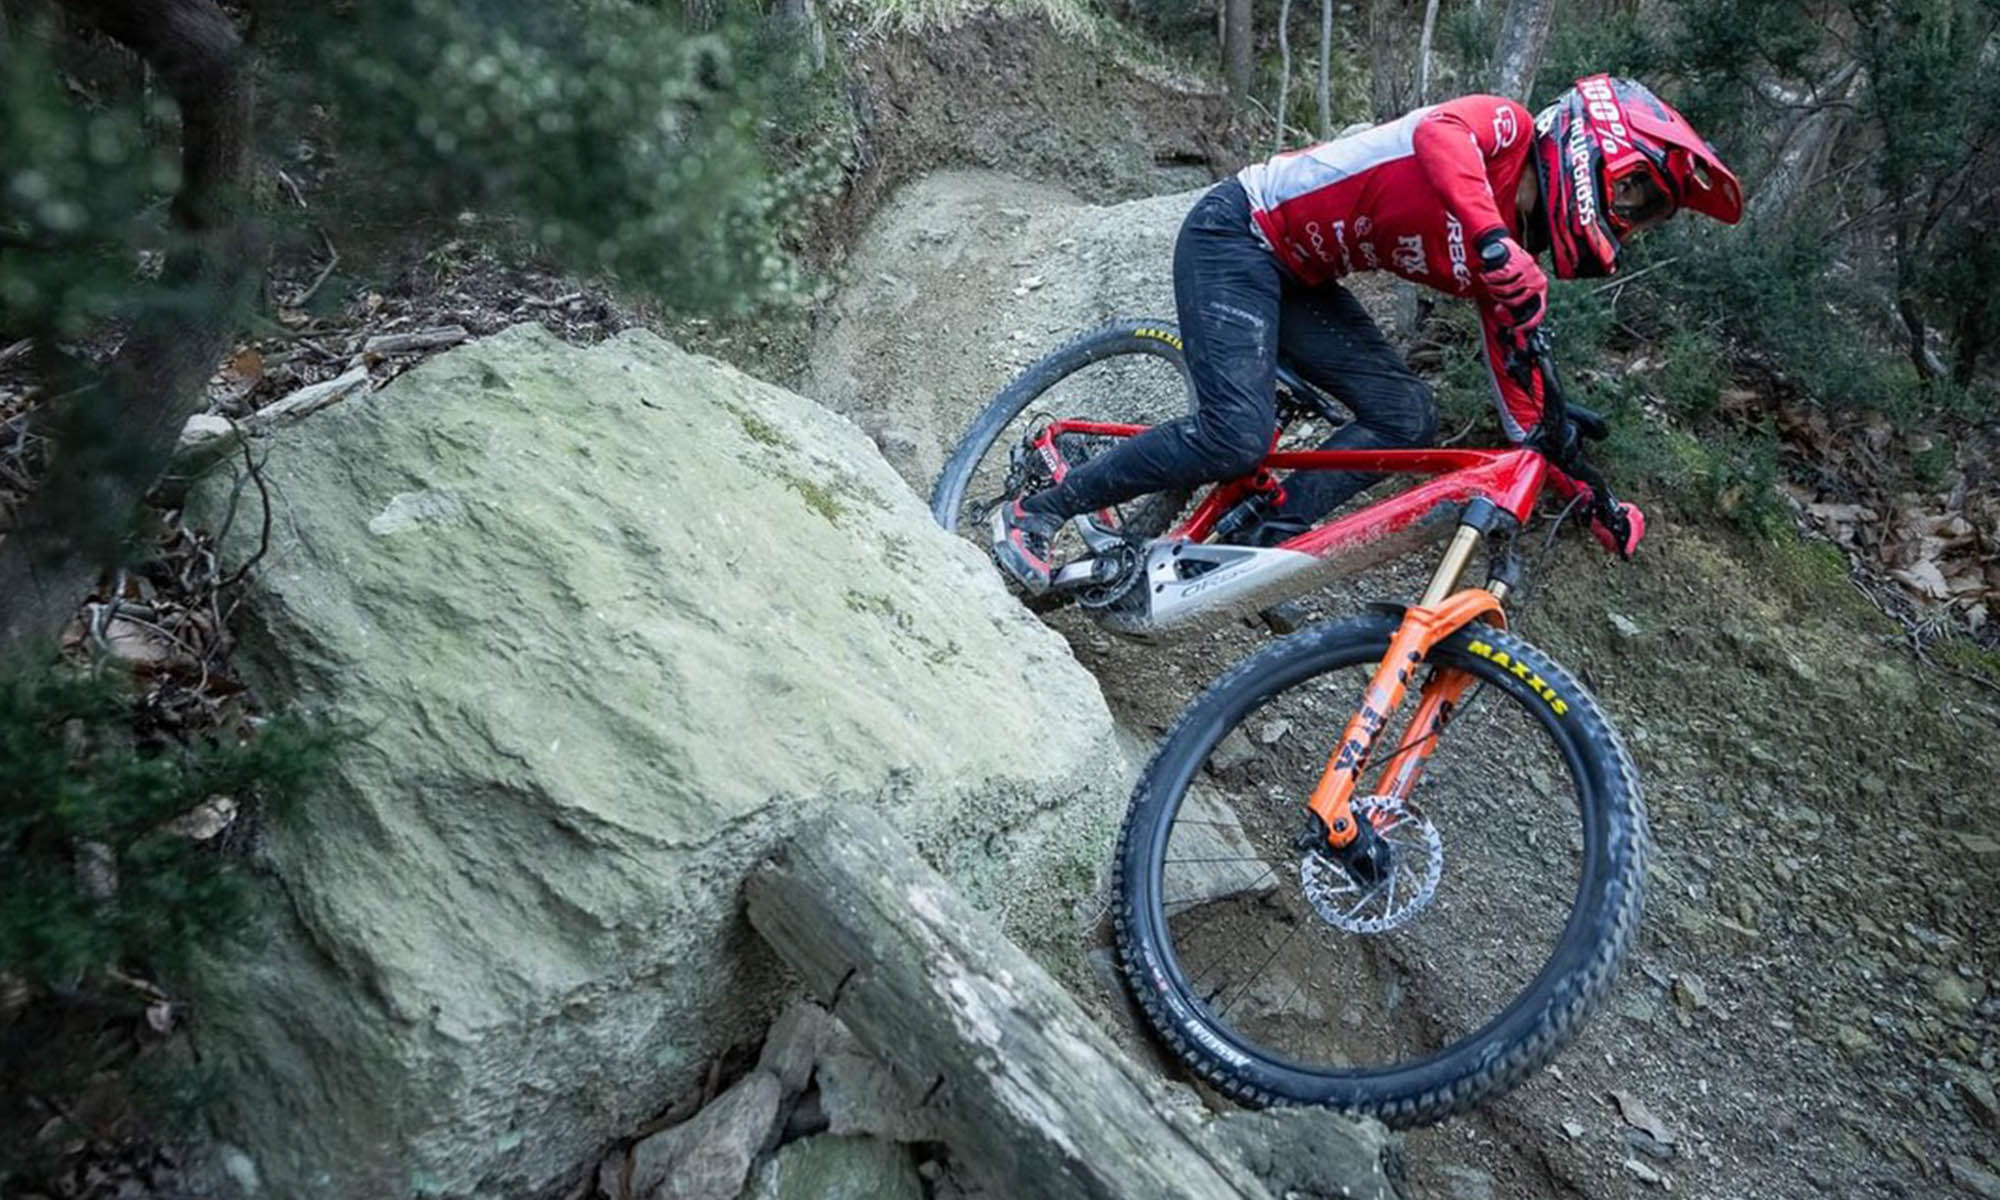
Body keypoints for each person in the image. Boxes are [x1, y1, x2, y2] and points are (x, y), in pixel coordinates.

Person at [992, 74, 1744, 590]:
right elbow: (1438, 133)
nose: (1633, 223)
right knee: (1236, 436)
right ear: (1595, 152)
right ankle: (1039, 511)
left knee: (1407, 416)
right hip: (1237, 234)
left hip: (1300, 282)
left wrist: (1591, 492)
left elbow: (1526, 411)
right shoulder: (1504, 129)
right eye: (1639, 196)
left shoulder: (1509, 257)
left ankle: (1248, 549)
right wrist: (1490, 239)